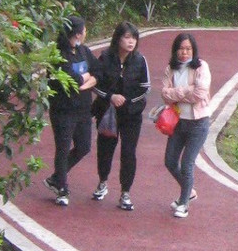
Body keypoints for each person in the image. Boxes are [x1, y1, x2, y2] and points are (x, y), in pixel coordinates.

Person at [91, 21, 150, 212]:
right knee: (105, 149)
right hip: (107, 112)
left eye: (134, 38)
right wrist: (111, 97)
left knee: (128, 152)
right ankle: (102, 182)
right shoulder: (105, 58)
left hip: (131, 115)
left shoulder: (140, 60)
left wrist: (128, 101)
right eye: (127, 37)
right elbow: (95, 84)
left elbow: (145, 88)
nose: (131, 42)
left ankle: (125, 193)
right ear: (118, 39)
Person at [46, 15, 99, 207]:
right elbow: (71, 80)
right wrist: (86, 77)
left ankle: (56, 177)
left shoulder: (84, 51)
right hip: (63, 110)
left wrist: (87, 79)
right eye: (84, 30)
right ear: (77, 34)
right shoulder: (59, 54)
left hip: (83, 109)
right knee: (62, 148)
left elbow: (98, 71)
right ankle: (62, 187)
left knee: (83, 147)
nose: (85, 33)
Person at [160, 32, 212, 218]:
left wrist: (176, 93)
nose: (184, 52)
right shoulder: (170, 69)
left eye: (188, 49)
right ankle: (189, 191)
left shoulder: (201, 67)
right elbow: (164, 94)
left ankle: (183, 203)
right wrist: (187, 91)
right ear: (175, 50)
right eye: (181, 49)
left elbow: (199, 94)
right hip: (178, 122)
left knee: (187, 163)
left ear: (193, 50)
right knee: (170, 161)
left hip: (198, 123)